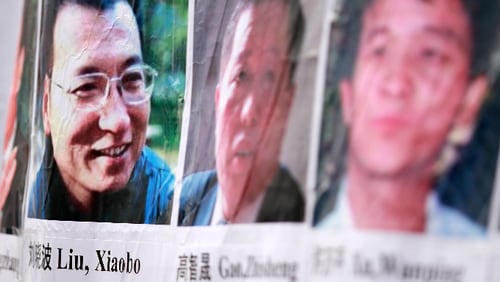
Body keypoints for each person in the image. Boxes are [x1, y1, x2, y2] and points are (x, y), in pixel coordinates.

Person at [316, 0, 498, 236]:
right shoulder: (297, 245)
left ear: (469, 102)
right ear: (347, 94)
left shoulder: (481, 260)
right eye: (379, 50)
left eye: (429, 55)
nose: (396, 84)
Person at [28, 0, 174, 223]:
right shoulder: (22, 199)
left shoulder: (169, 202)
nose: (118, 121)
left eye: (133, 78)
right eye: (87, 87)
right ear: (46, 106)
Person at [178, 0, 305, 225]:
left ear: (288, 105)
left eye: (270, 81)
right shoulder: (183, 201)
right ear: (218, 99)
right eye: (241, 76)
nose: (249, 114)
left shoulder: (302, 220)